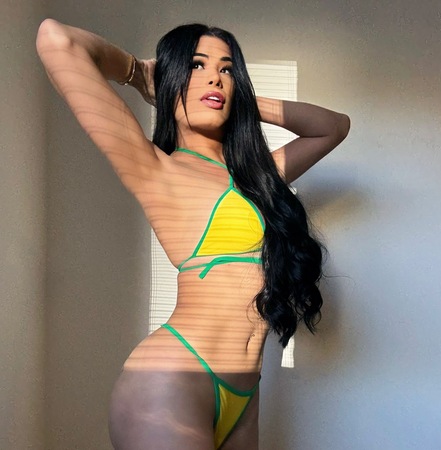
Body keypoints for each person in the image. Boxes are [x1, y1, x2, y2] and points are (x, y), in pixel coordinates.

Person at [36, 19, 350, 450]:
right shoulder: (156, 169)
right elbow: (56, 39)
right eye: (197, 65)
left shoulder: (260, 178)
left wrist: (244, 102)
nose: (214, 78)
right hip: (172, 381)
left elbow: (333, 126)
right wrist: (138, 72)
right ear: (171, 80)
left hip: (244, 395)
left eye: (226, 69)